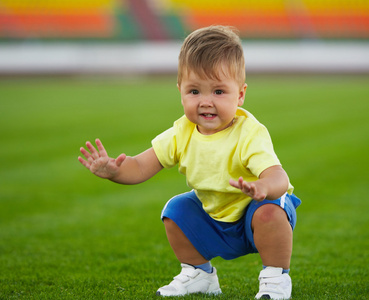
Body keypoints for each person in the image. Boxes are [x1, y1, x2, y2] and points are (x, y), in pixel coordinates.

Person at [78, 25, 301, 299]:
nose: (206, 102)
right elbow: (140, 165)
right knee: (176, 210)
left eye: (218, 92)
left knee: (270, 212)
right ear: (180, 91)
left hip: (254, 212)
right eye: (194, 91)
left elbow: (278, 176)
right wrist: (114, 170)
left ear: (240, 94)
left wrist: (263, 188)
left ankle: (275, 279)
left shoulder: (249, 132)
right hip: (213, 215)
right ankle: (199, 274)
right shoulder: (181, 132)